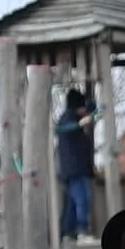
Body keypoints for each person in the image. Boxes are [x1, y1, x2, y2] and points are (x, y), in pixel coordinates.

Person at [55, 88, 96, 240]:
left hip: (72, 168)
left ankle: (68, 232)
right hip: (75, 169)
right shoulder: (69, 120)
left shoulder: (70, 118)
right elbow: (73, 126)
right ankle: (82, 230)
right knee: (82, 199)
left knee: (72, 202)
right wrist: (83, 120)